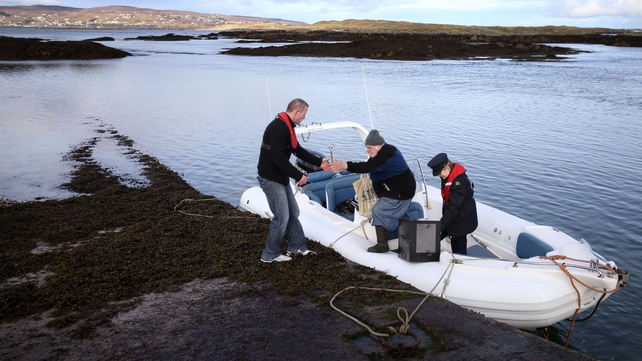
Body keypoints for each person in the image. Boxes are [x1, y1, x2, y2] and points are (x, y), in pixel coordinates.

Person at [257, 98, 331, 263]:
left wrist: (318, 162)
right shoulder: (279, 128)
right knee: (281, 217)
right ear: (296, 111)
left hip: (280, 177)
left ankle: (297, 247)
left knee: (293, 213)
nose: (304, 118)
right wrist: (298, 176)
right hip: (270, 178)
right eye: (304, 114)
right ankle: (269, 255)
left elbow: (296, 149)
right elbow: (277, 157)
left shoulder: (288, 126)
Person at [329, 129, 416, 253]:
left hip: (400, 191)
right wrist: (343, 167)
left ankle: (382, 245)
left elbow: (369, 167)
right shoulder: (383, 152)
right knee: (400, 214)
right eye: (366, 147)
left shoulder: (386, 156)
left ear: (379, 146)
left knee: (378, 210)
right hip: (397, 189)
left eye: (369, 148)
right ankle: (406, 243)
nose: (367, 150)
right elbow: (369, 165)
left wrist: (345, 165)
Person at [427, 153, 478, 255]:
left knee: (458, 247)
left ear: (446, 168)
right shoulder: (447, 175)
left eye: (439, 172)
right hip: (451, 216)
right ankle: (429, 253)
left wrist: (440, 227)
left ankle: (460, 264)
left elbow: (453, 208)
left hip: (462, 219)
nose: (438, 175)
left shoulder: (459, 183)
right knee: (434, 236)